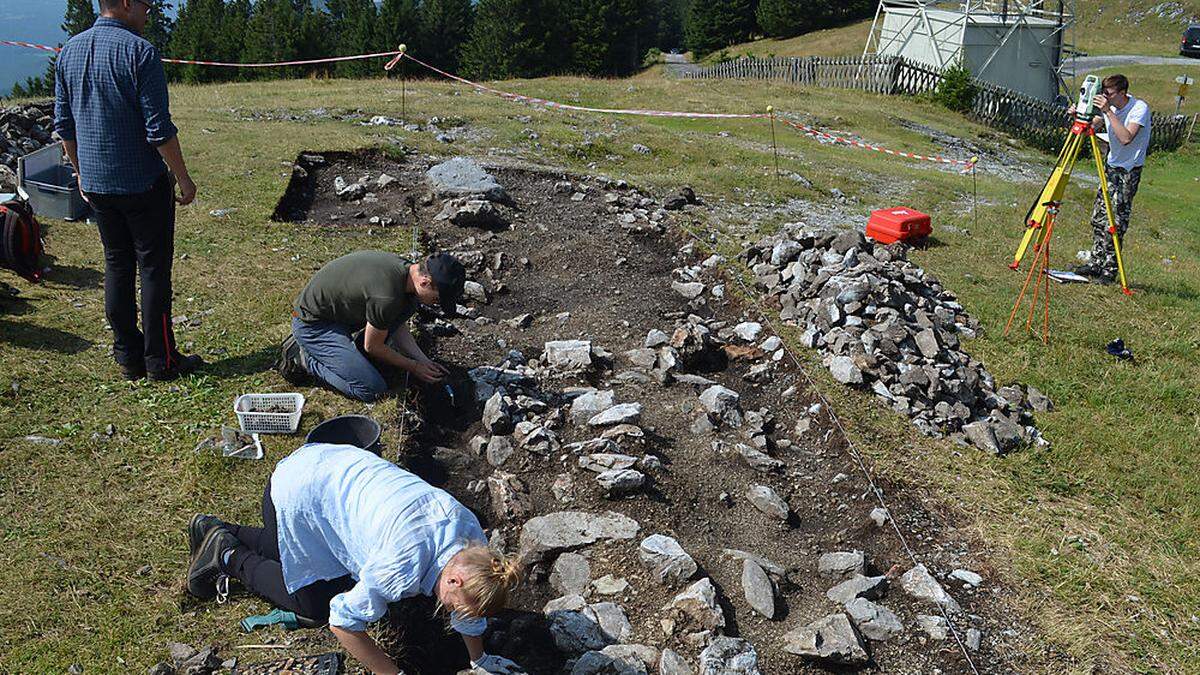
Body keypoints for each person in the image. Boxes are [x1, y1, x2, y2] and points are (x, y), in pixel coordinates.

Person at [185, 442, 524, 674]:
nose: (451, 613)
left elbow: (470, 609)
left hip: (329, 467)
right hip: (295, 490)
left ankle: (219, 528)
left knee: (299, 557)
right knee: (315, 604)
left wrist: (479, 659)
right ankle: (228, 556)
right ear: (454, 579)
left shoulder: (472, 540)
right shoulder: (400, 567)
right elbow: (342, 621)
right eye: (455, 607)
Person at [54, 0, 203, 381]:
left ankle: (127, 355)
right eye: (144, 4)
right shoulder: (140, 51)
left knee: (117, 264)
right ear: (123, 3)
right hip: (142, 183)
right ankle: (161, 361)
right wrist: (183, 178)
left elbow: (64, 124)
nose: (150, 10)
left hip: (99, 185)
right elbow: (159, 130)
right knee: (153, 269)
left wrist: (81, 173)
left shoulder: (70, 49)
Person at [277, 251, 464, 401]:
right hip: (313, 325)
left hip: (340, 316)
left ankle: (344, 354)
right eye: (438, 298)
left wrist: (423, 360)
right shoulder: (387, 296)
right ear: (425, 282)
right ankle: (305, 359)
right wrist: (413, 367)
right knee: (371, 389)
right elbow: (372, 346)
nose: (435, 304)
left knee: (409, 306)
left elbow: (396, 324)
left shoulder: (407, 273)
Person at [1074, 74, 1151, 284]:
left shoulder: (1139, 109)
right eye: (1103, 94)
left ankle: (1110, 269)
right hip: (1111, 166)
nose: (1105, 98)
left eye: (1108, 94)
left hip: (1128, 170)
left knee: (1115, 221)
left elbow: (1126, 138)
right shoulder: (1111, 109)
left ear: (1122, 93)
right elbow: (1096, 123)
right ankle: (1096, 262)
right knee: (1099, 216)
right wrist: (1081, 113)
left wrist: (1108, 111)